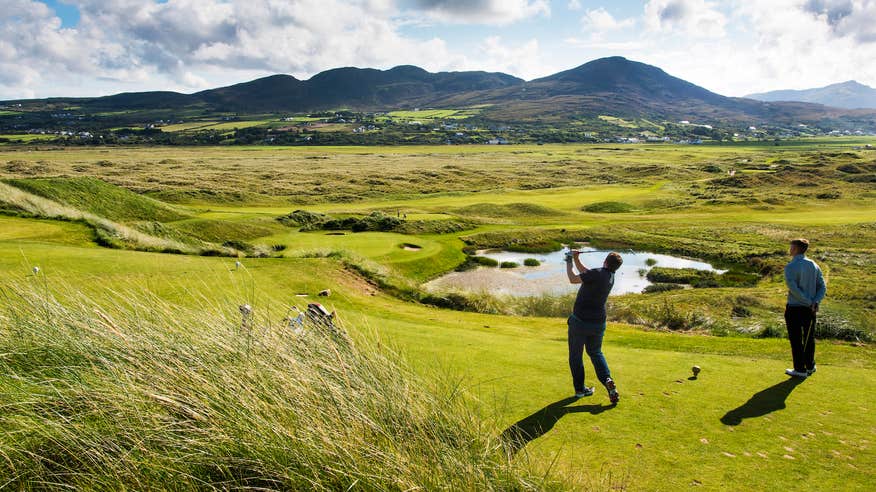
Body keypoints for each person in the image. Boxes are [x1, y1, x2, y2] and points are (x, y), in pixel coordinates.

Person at [566, 250, 622, 403]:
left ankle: (579, 390)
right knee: (595, 352)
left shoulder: (598, 273)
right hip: (598, 323)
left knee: (575, 356)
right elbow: (586, 272)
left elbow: (573, 279)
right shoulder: (609, 276)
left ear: (605, 261)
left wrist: (568, 259)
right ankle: (607, 380)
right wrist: (577, 258)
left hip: (580, 322)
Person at [783, 238, 826, 378]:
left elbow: (793, 289)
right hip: (811, 309)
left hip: (795, 308)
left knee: (796, 339)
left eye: (791, 247)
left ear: (796, 249)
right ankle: (810, 365)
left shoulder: (790, 267)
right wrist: (815, 301)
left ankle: (800, 369)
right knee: (809, 338)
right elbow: (822, 287)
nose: (790, 249)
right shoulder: (814, 265)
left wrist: (809, 302)